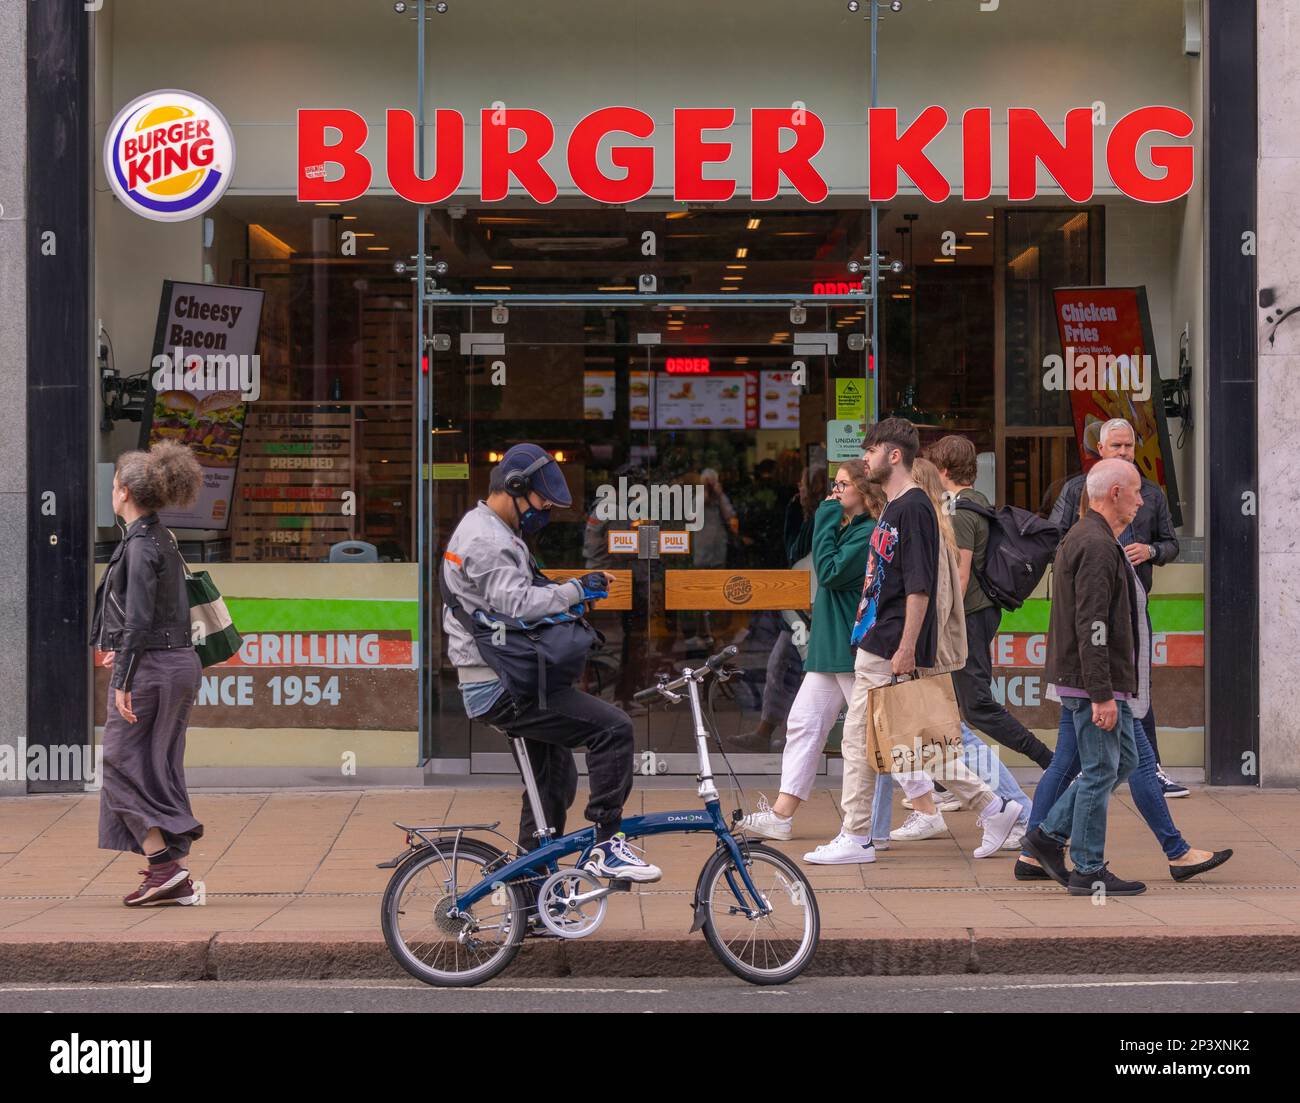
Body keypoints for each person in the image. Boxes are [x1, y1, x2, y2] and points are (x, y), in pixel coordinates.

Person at [804, 419, 1022, 865]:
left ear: (894, 454)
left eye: (871, 450)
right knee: (911, 743)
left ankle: (857, 835)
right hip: (879, 639)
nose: (865, 458)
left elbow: (920, 585)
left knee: (862, 740)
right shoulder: (896, 506)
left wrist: (905, 647)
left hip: (889, 645)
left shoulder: (913, 509)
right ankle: (994, 806)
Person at [443, 443, 661, 883]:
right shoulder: (486, 540)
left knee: (554, 783)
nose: (544, 510)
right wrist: (577, 591)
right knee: (613, 729)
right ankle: (607, 844)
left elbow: (507, 599)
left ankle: (530, 892)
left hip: (502, 677)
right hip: (502, 686)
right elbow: (518, 602)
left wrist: (569, 590)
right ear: (515, 488)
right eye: (541, 501)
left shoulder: (490, 529)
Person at [738, 459, 891, 843]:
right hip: (831, 646)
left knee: (888, 735)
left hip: (849, 648)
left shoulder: (869, 531)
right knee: (804, 725)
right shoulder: (851, 527)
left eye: (842, 486)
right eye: (833, 486)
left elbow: (829, 569)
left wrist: (823, 514)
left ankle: (985, 806)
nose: (834, 493)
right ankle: (782, 814)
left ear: (863, 490)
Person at [1021, 459, 1149, 896]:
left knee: (1124, 761)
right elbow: (1091, 623)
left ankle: (1047, 835)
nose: (1141, 499)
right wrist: (1101, 695)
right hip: (1094, 682)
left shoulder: (1092, 536)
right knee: (1098, 770)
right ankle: (1088, 868)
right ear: (1114, 493)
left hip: (1097, 679)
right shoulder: (1095, 543)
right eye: (1135, 490)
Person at [92, 441, 206, 907]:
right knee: (156, 766)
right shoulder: (162, 537)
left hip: (153, 669)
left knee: (119, 765)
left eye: (114, 485)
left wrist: (122, 679)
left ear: (122, 492)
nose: (112, 491)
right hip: (176, 664)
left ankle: (165, 868)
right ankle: (169, 870)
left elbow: (138, 620)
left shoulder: (141, 545)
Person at [1048, 418, 1185, 797]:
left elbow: (1172, 544)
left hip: (1134, 606)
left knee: (1137, 686)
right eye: (1117, 446)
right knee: (1098, 695)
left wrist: (1152, 550)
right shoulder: (1078, 490)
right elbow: (1053, 539)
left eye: (1129, 446)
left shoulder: (1151, 493)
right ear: (1101, 449)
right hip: (1092, 605)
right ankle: (1081, 787)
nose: (1125, 452)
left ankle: (1149, 768)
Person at [928, 435, 1055, 770]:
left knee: (977, 706)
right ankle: (949, 782)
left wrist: (940, 619)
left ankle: (1048, 760)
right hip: (977, 614)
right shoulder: (977, 500)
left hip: (967, 617)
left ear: (943, 470)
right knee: (950, 703)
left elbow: (961, 574)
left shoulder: (960, 512)